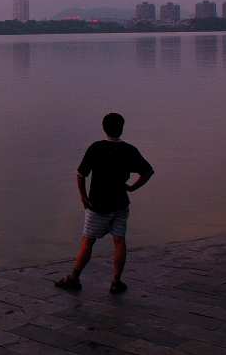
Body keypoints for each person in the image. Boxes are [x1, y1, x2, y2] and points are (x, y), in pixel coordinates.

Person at [55, 112, 154, 294]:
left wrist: (83, 197)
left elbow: (80, 175)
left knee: (88, 242)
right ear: (122, 128)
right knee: (119, 242)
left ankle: (75, 278)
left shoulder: (96, 148)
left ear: (103, 128)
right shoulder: (129, 150)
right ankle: (116, 281)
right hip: (120, 204)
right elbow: (148, 172)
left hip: (98, 205)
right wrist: (132, 188)